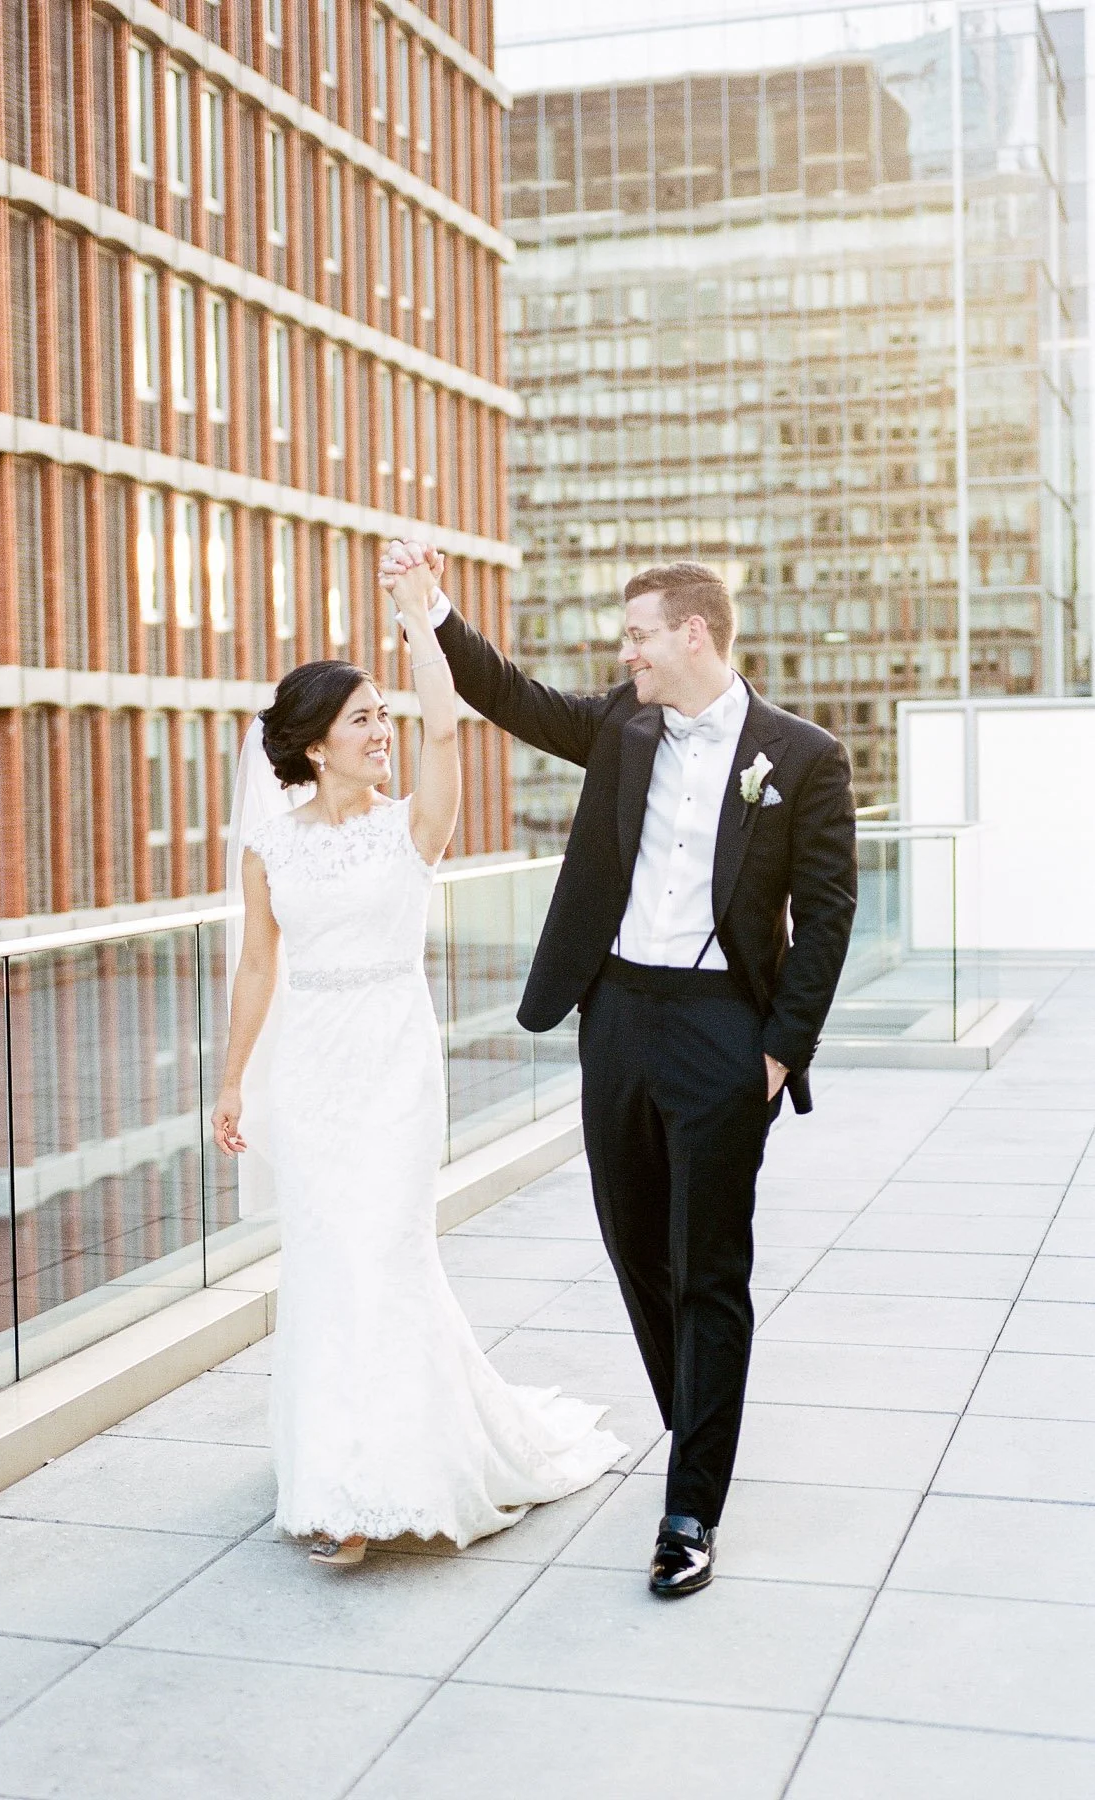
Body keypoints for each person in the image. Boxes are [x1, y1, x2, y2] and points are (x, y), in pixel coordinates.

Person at [379, 541, 858, 1597]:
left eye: (639, 634)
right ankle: (701, 1424)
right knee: (636, 1246)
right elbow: (508, 694)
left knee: (708, 1266)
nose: (626, 651)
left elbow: (828, 916)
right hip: (619, 1020)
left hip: (726, 1033)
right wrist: (430, 607)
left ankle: (690, 1508)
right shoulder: (621, 728)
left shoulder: (803, 756)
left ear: (694, 633)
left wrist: (779, 1050)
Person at [212, 554, 626, 1566]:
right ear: (315, 745)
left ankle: (389, 1475)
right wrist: (231, 1082)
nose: (380, 732)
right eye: (360, 720)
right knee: (326, 1264)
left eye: (380, 716)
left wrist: (417, 620)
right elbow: (259, 966)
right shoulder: (268, 849)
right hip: (310, 1071)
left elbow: (445, 728)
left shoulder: (414, 828)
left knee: (384, 1254)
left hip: (395, 1062)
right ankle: (336, 1480)